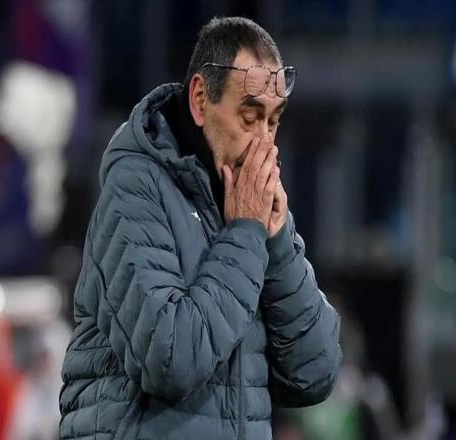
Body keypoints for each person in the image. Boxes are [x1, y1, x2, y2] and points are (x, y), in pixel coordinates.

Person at [59, 16, 342, 440]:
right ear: (199, 99)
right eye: (249, 117)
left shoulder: (251, 209)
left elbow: (315, 374)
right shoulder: (136, 186)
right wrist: (245, 232)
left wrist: (278, 239)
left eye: (273, 121)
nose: (265, 143)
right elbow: (170, 359)